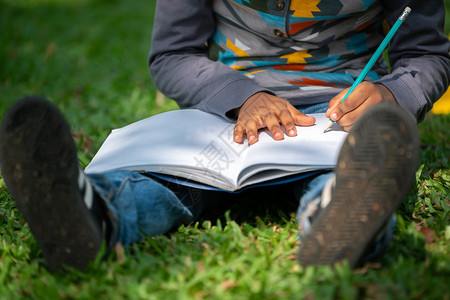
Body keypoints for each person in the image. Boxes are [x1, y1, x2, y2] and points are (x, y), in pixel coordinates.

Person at [0, 0, 448, 273]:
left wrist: (393, 93)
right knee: (171, 175)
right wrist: (242, 96)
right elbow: (173, 53)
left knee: (351, 165)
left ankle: (338, 220)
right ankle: (93, 216)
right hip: (226, 109)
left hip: (339, 111)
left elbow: (427, 54)